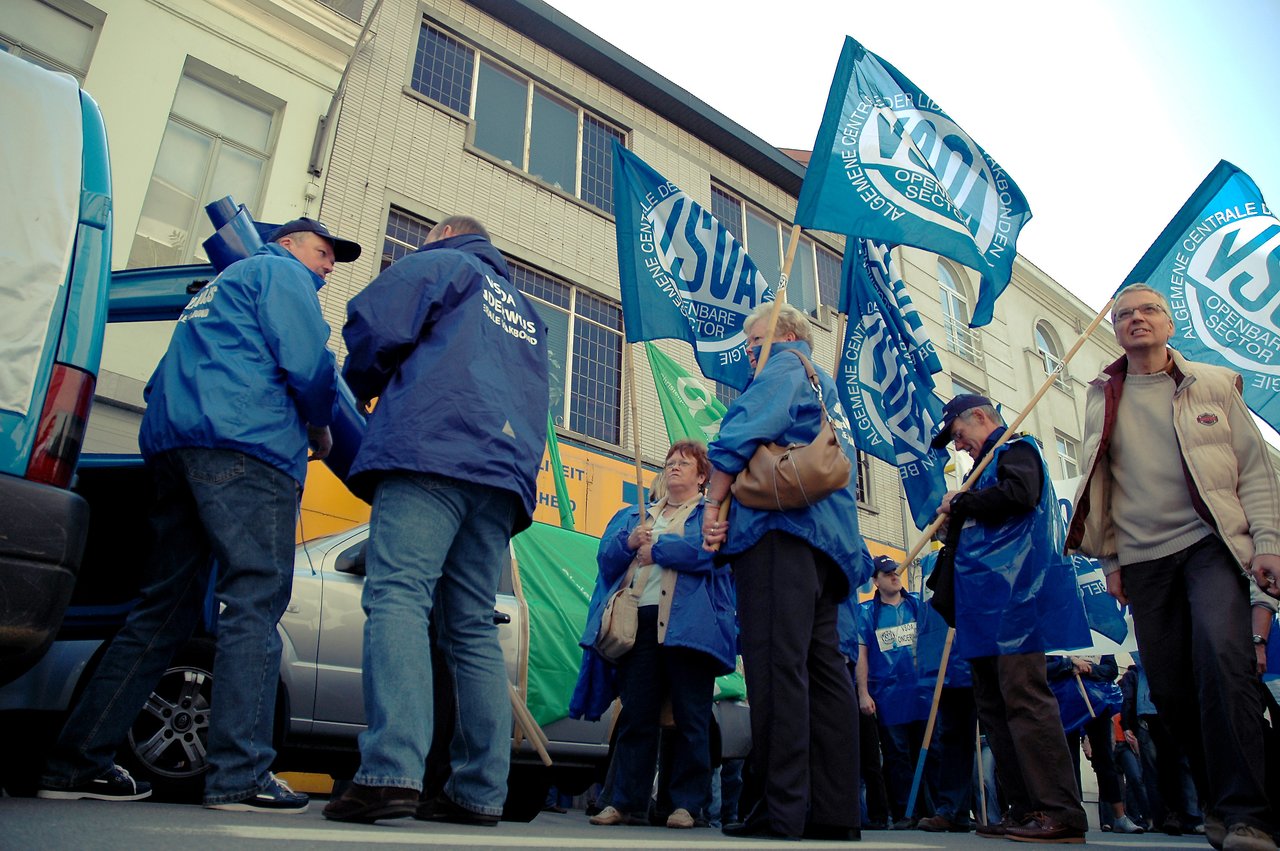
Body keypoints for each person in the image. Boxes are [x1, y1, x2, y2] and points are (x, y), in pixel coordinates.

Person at [39, 217, 358, 811]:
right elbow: (309, 367)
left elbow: (155, 385)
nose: (329, 266)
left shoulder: (215, 293)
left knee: (160, 611)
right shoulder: (280, 274)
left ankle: (75, 763)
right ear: (287, 243)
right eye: (324, 252)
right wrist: (319, 427)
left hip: (172, 451)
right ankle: (240, 776)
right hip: (248, 447)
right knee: (254, 600)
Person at [322, 215, 549, 825]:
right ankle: (478, 789)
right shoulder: (527, 311)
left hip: (433, 448)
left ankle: (390, 772)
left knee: (398, 597)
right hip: (501, 475)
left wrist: (356, 388)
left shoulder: (442, 263)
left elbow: (375, 323)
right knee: (472, 626)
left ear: (443, 233)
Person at [1066, 282, 1280, 851]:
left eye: (1148, 311)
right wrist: (1109, 558)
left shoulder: (1212, 384)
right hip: (1142, 559)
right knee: (1171, 689)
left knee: (1222, 661)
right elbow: (1099, 484)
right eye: (1124, 314)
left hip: (1211, 546)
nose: (1136, 320)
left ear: (1169, 324)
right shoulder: (1100, 394)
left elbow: (1256, 472)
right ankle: (1217, 800)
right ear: (1115, 329)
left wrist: (1268, 542)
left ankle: (1248, 815)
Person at [701, 302, 866, 841]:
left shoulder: (784, 365)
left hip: (780, 532)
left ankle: (779, 808)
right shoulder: (826, 387)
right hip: (829, 543)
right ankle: (833, 811)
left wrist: (712, 503)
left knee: (776, 669)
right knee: (823, 675)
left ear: (788, 334)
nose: (748, 353)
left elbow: (747, 427)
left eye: (754, 342)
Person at [934, 394, 1090, 844]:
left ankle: (1059, 809)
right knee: (994, 708)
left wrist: (962, 503)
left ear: (980, 417)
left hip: (1013, 597)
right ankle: (1022, 807)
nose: (959, 447)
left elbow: (1021, 495)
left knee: (1024, 700)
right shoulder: (983, 467)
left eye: (960, 436)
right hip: (982, 603)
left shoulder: (1016, 450)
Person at [574, 440, 736, 830]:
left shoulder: (710, 513)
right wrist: (629, 542)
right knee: (637, 713)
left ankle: (687, 804)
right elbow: (606, 559)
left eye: (684, 463)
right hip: (640, 624)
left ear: (702, 476)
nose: (674, 467)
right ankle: (624, 800)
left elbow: (710, 552)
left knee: (691, 716)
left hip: (690, 626)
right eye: (669, 462)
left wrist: (659, 548)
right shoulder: (636, 515)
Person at [856, 556, 930, 828]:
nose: (894, 576)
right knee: (897, 758)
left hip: (921, 695)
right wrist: (863, 693)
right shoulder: (866, 613)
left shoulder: (917, 606)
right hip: (888, 698)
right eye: (887, 574)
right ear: (875, 581)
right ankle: (903, 813)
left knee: (928, 752)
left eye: (896, 571)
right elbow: (861, 654)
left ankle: (930, 811)